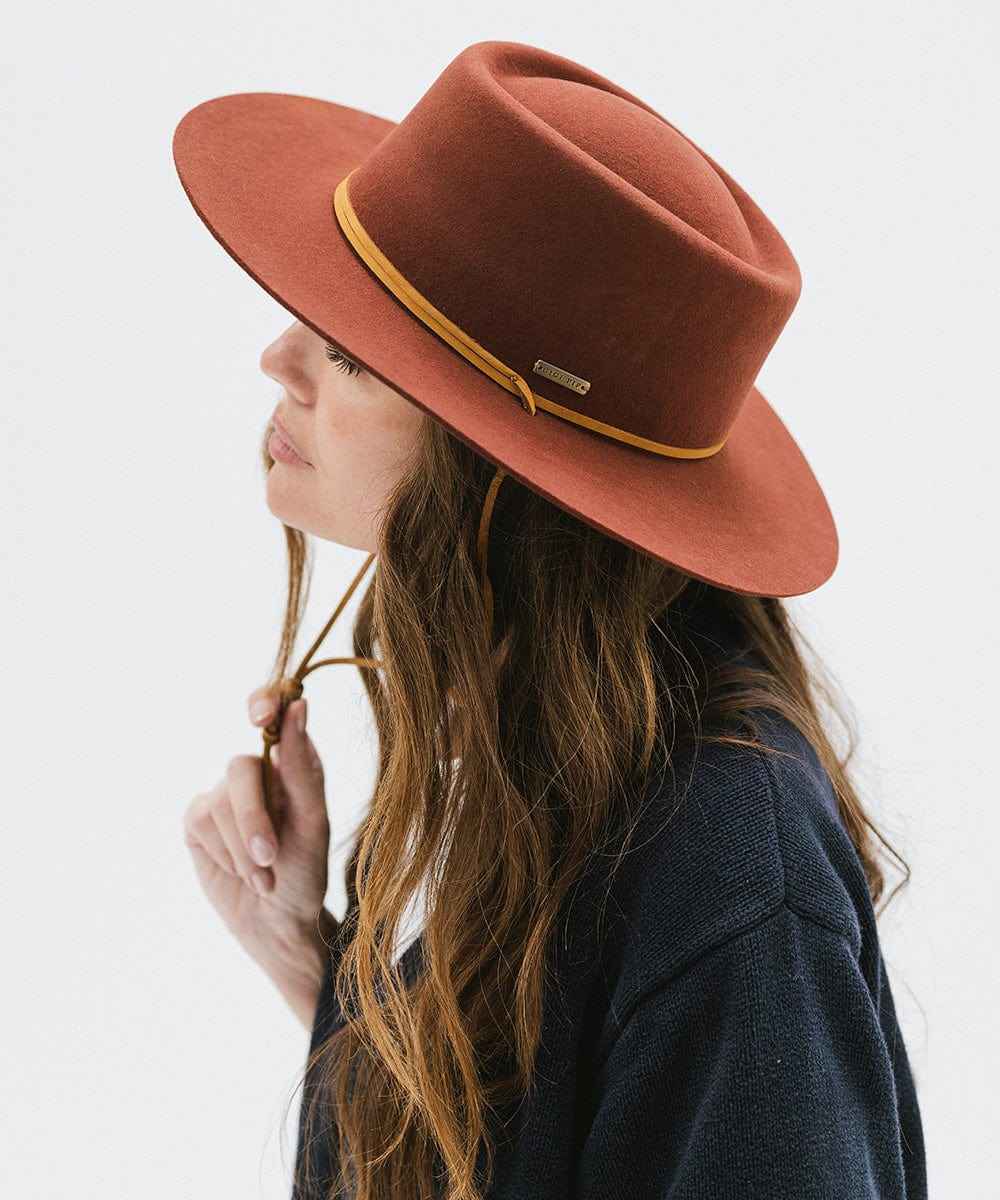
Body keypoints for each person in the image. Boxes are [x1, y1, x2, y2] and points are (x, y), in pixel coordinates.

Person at [173, 39, 927, 1200]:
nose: (278, 359)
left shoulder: (728, 862)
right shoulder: (515, 744)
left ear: (499, 461)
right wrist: (320, 971)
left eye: (349, 352)